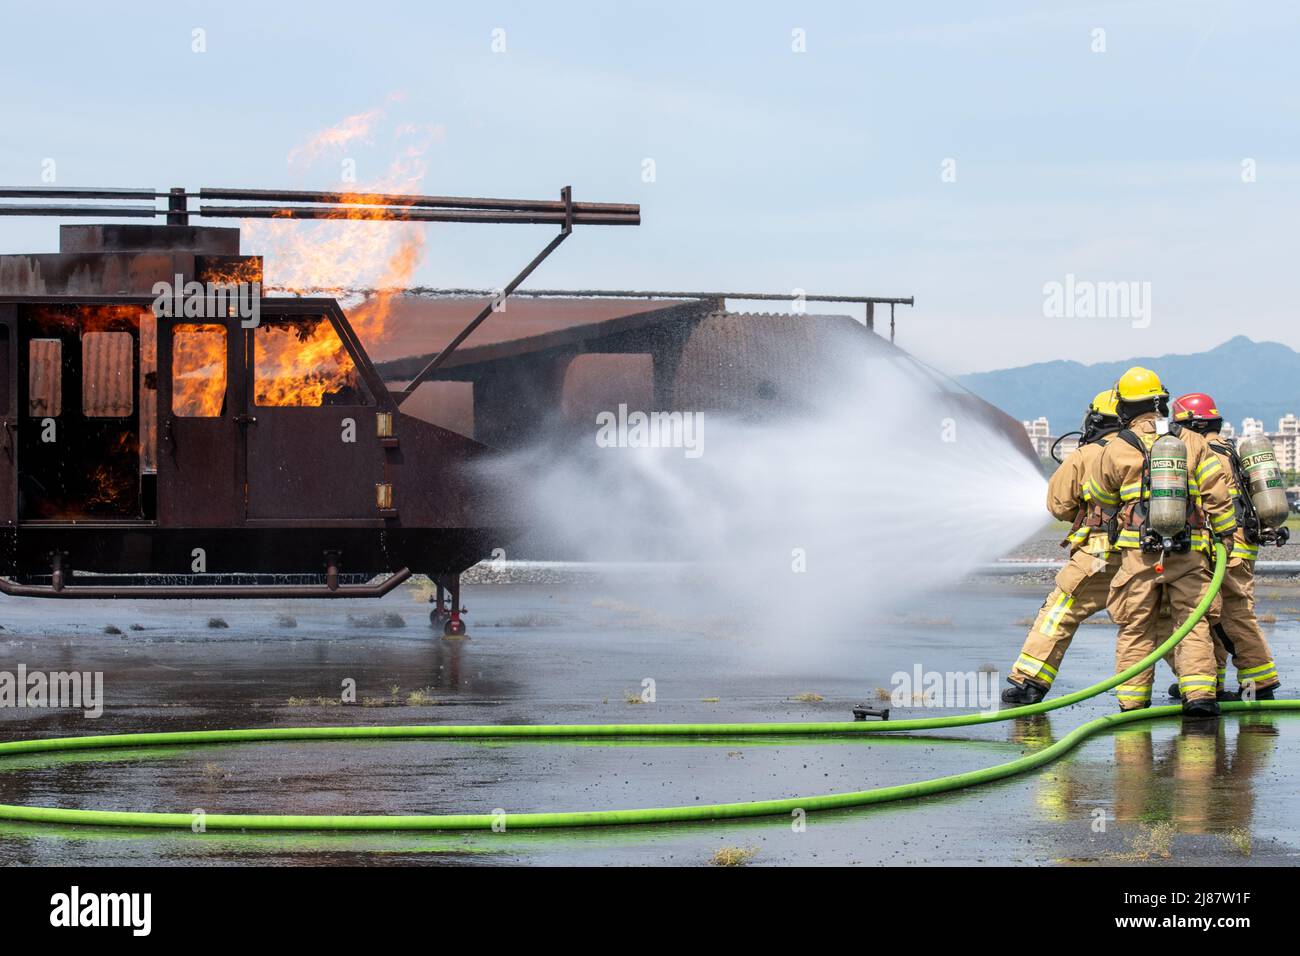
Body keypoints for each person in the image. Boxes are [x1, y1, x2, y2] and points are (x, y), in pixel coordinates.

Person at [1084, 367, 1236, 718]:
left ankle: (1134, 703)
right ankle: (1199, 697)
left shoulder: (1117, 447)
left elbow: (1098, 496)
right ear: (1162, 402)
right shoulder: (1192, 441)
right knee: (1192, 623)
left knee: (1135, 626)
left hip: (1138, 556)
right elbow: (1217, 493)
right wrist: (1225, 535)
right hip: (1190, 553)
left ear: (1124, 407)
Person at [1002, 389, 1123, 704]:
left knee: (1060, 610)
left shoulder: (1086, 454)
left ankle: (1030, 681)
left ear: (1096, 419)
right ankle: (1200, 688)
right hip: (1148, 555)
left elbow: (1058, 504)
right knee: (1161, 620)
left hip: (1100, 554)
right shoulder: (1149, 453)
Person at [1165, 392, 1282, 701]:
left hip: (1225, 546)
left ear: (1192, 424)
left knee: (1233, 615)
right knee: (1211, 615)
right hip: (1238, 544)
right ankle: (1208, 681)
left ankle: (1260, 680)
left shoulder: (1206, 454)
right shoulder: (1229, 449)